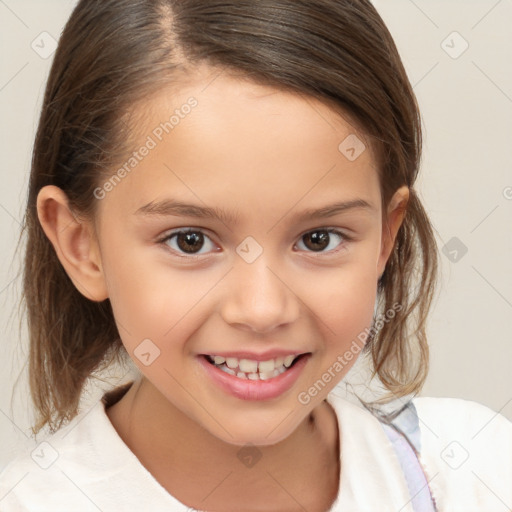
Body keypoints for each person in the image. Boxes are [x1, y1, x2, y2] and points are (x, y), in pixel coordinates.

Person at [0, 0, 511, 510]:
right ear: (80, 246)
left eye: (319, 239)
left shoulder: (474, 474)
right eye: (190, 241)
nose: (263, 309)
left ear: (385, 237)